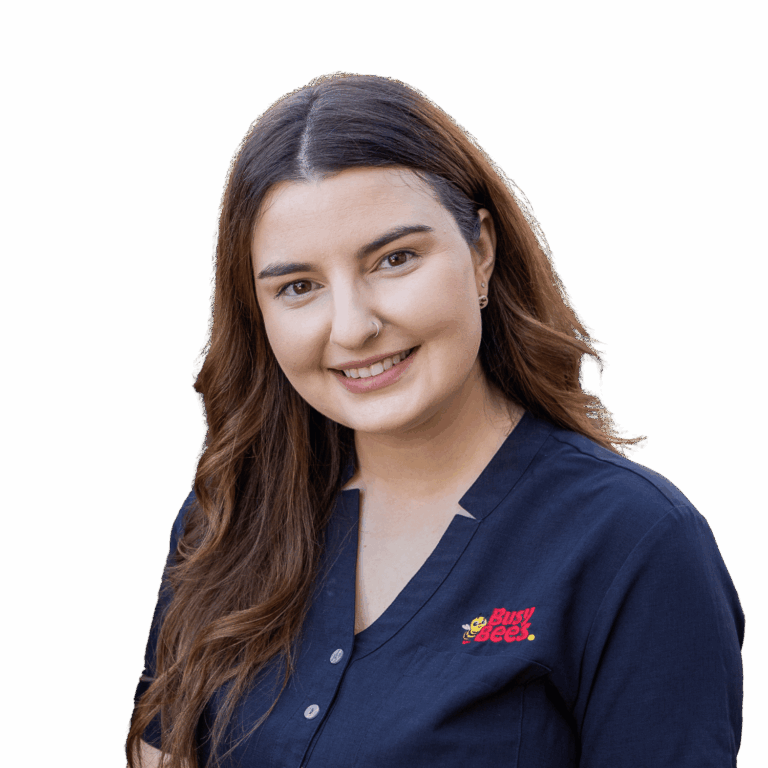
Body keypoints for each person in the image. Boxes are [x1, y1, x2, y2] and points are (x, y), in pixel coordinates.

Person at [125, 73, 744, 768]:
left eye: (395, 259)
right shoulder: (225, 521)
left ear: (481, 252)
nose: (353, 327)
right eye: (299, 287)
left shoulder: (636, 541)